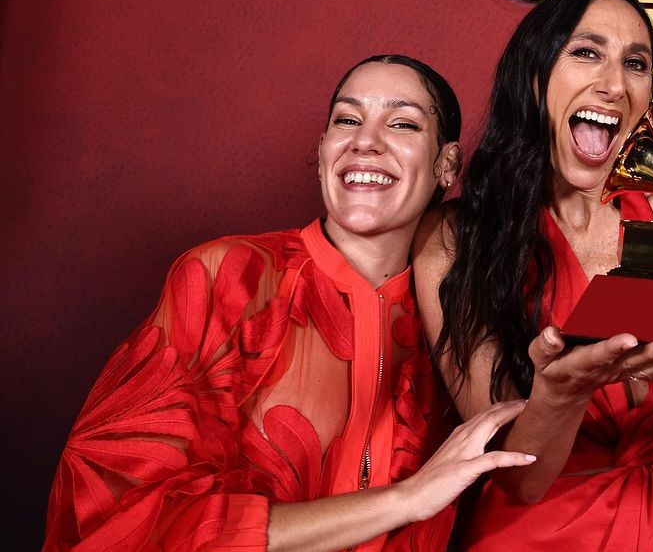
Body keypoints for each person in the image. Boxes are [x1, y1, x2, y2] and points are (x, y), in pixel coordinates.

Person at [44, 55, 537, 552]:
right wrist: (406, 500)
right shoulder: (230, 277)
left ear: (447, 164)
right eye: (347, 120)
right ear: (323, 151)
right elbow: (135, 513)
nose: (365, 141)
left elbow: (529, 473)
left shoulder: (459, 316)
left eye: (403, 123)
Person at [413, 0, 653, 551]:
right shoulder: (454, 238)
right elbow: (515, 475)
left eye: (635, 64)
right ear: (535, 76)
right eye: (587, 52)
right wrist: (561, 393)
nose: (614, 84)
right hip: (536, 532)